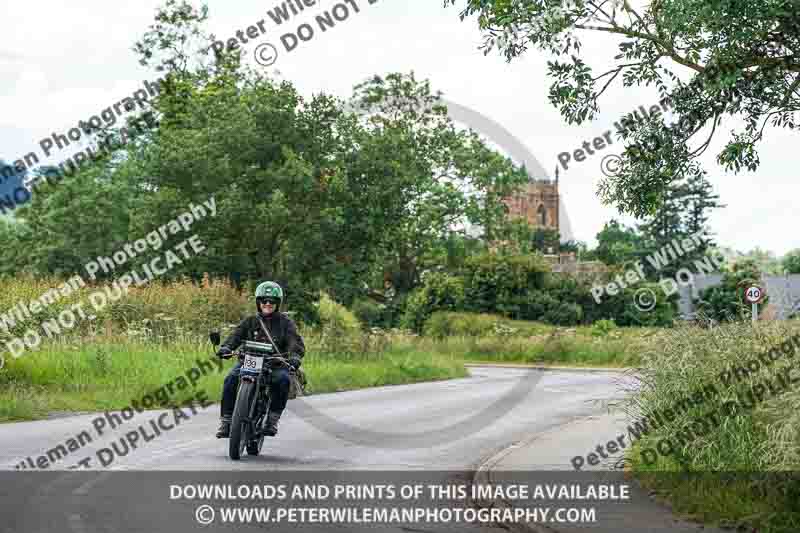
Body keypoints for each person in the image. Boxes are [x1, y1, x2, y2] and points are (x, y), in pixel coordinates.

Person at [215, 281, 305, 439]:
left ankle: (272, 419)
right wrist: (226, 348)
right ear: (258, 302)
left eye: (272, 301)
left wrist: (295, 356)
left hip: (274, 364)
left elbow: (294, 342)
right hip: (248, 361)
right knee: (230, 379)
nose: (268, 304)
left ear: (278, 304)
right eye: (264, 301)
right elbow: (235, 336)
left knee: (283, 380)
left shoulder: (286, 323)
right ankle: (227, 421)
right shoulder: (250, 321)